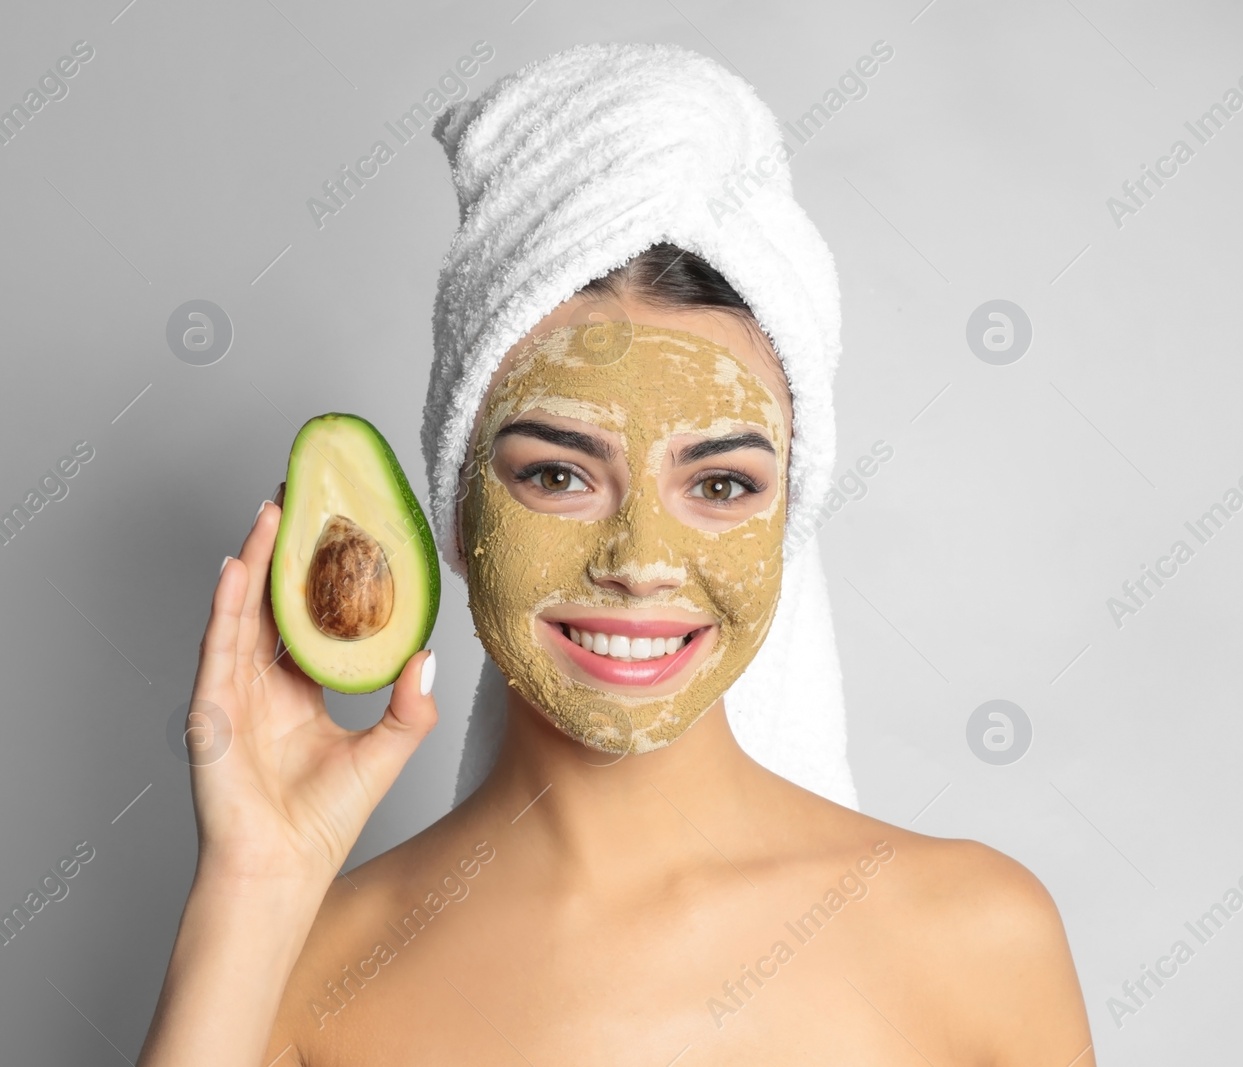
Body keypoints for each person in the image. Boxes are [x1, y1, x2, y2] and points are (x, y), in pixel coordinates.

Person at [138, 45, 1095, 1067]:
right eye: (557, 474)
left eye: (720, 484)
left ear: (789, 520)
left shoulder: (977, 934)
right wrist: (253, 887)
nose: (639, 561)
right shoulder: (297, 972)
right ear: (453, 507)